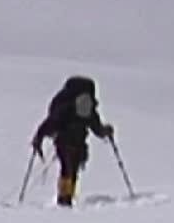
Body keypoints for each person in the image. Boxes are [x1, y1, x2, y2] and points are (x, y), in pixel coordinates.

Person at [32, 75, 114, 208]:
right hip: (79, 142)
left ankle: (63, 197)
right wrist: (106, 131)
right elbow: (96, 128)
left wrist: (39, 136)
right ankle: (68, 196)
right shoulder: (88, 110)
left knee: (66, 169)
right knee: (73, 170)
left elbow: (52, 121)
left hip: (63, 141)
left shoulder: (65, 105)